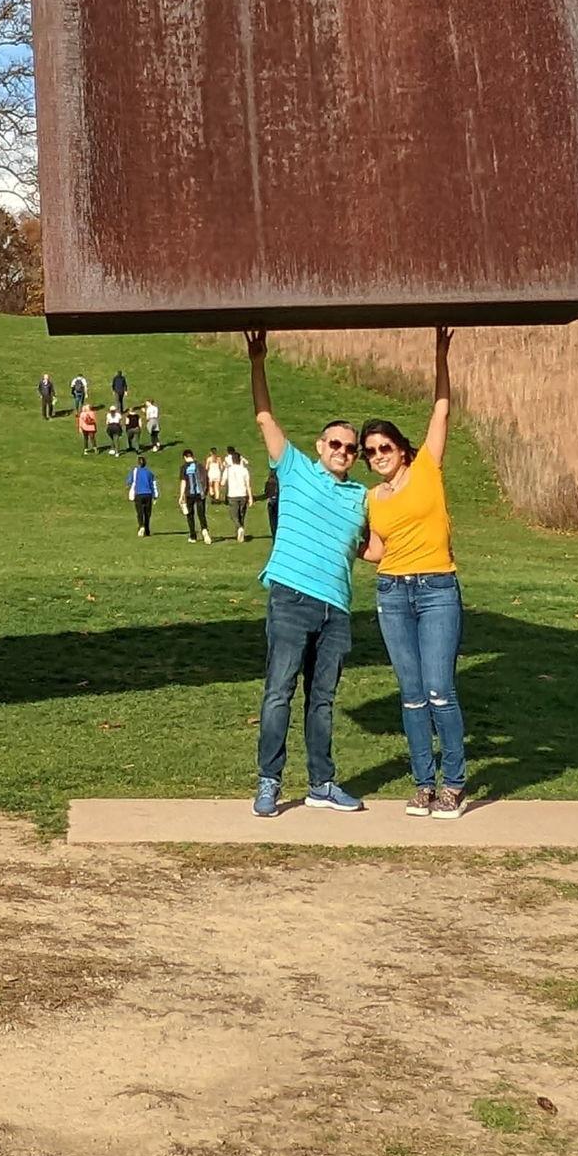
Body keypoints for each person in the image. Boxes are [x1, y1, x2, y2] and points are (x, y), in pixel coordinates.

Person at [246, 330, 369, 816]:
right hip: (292, 599)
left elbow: (374, 547)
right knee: (279, 693)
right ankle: (269, 782)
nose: (343, 451)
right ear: (320, 446)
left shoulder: (360, 496)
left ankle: (322, 784)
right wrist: (258, 361)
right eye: (336, 443)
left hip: (336, 609)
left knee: (322, 701)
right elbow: (264, 417)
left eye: (351, 448)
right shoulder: (295, 468)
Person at [363, 329, 467, 818]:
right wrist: (342, 544)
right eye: (370, 452)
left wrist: (440, 356)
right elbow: (378, 550)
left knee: (439, 690)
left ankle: (454, 783)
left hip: (437, 589)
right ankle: (424, 783)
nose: (378, 455)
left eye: (384, 447)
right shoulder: (372, 498)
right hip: (392, 593)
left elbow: (441, 410)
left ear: (401, 448)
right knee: (410, 696)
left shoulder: (427, 466)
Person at [222, 446, 254, 542]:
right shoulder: (244, 470)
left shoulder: (228, 469)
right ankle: (240, 533)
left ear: (232, 460)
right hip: (243, 494)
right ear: (240, 459)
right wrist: (250, 498)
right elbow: (248, 485)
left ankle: (239, 528)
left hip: (232, 495)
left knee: (234, 515)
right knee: (242, 514)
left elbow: (222, 482)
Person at [179, 448, 209, 543]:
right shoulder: (200, 465)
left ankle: (193, 536)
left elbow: (183, 482)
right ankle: (204, 530)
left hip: (189, 494)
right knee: (201, 514)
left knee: (190, 515)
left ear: (185, 457)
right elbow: (206, 478)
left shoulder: (184, 467)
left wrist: (181, 495)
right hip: (200, 493)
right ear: (192, 456)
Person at [128, 454, 157, 536]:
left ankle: (141, 526)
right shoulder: (149, 472)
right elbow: (153, 484)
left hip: (139, 494)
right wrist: (155, 495)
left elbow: (129, 481)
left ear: (138, 463)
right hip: (148, 494)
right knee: (147, 513)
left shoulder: (135, 472)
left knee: (140, 512)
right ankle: (147, 530)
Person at [263, 462, 280, 538]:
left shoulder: (269, 482)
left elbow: (266, 493)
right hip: (278, 502)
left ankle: (274, 535)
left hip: (271, 502)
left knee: (272, 521)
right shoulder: (280, 482)